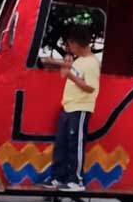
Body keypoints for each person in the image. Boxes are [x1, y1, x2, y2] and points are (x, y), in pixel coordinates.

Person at [43, 26, 100, 192]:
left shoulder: (91, 63)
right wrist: (56, 64)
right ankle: (58, 176)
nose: (69, 48)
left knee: (75, 144)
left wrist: (71, 77)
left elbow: (91, 88)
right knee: (61, 144)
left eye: (69, 44)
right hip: (69, 106)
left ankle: (76, 180)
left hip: (80, 108)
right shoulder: (79, 60)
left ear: (76, 44)